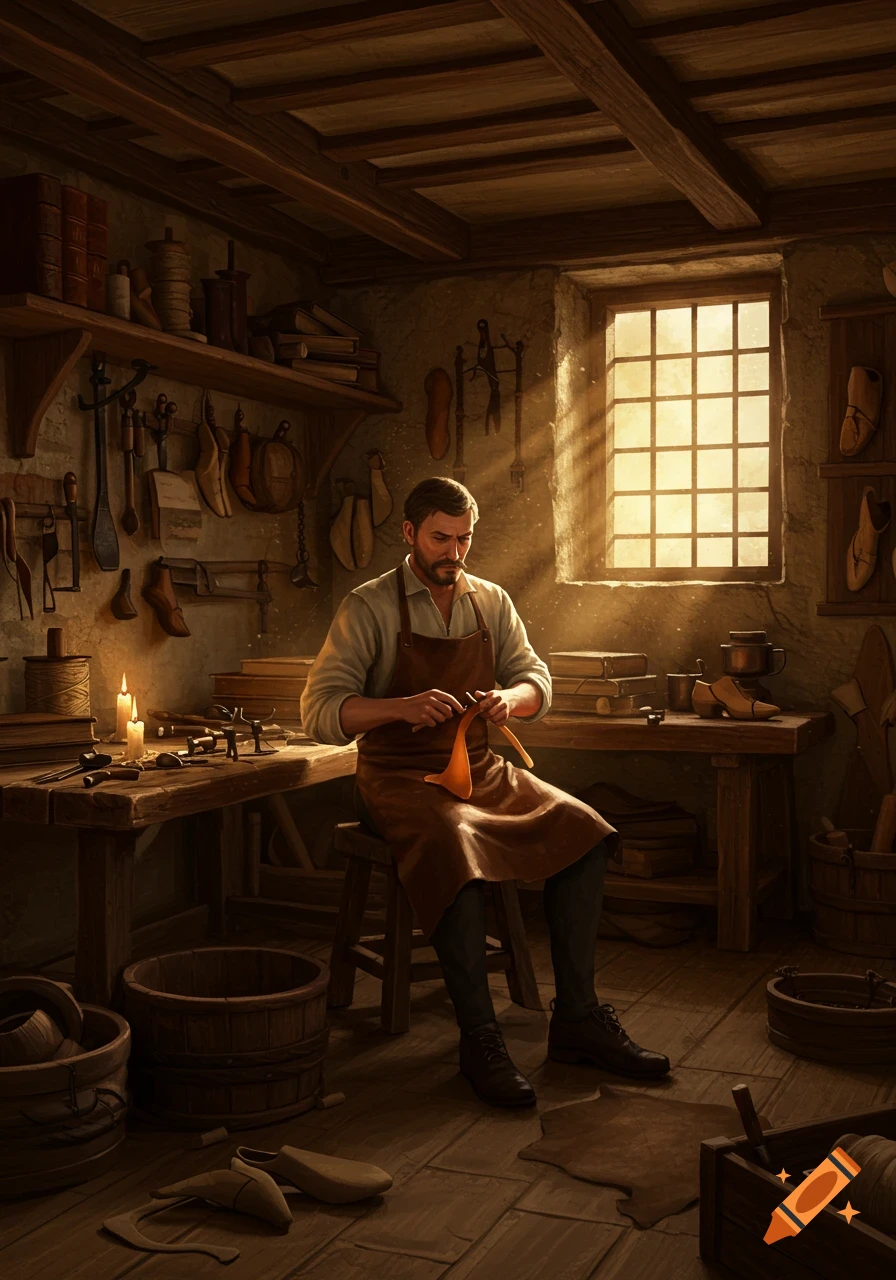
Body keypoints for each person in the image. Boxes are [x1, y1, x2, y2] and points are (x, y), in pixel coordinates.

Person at [301, 477, 670, 1106]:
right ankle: (480, 1039)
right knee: (454, 848)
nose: (454, 552)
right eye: (441, 538)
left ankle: (578, 1019)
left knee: (586, 832)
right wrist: (399, 707)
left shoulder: (489, 601)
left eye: (464, 538)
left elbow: (535, 678)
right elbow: (319, 711)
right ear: (409, 534)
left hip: (479, 768)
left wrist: (512, 700)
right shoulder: (369, 607)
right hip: (395, 776)